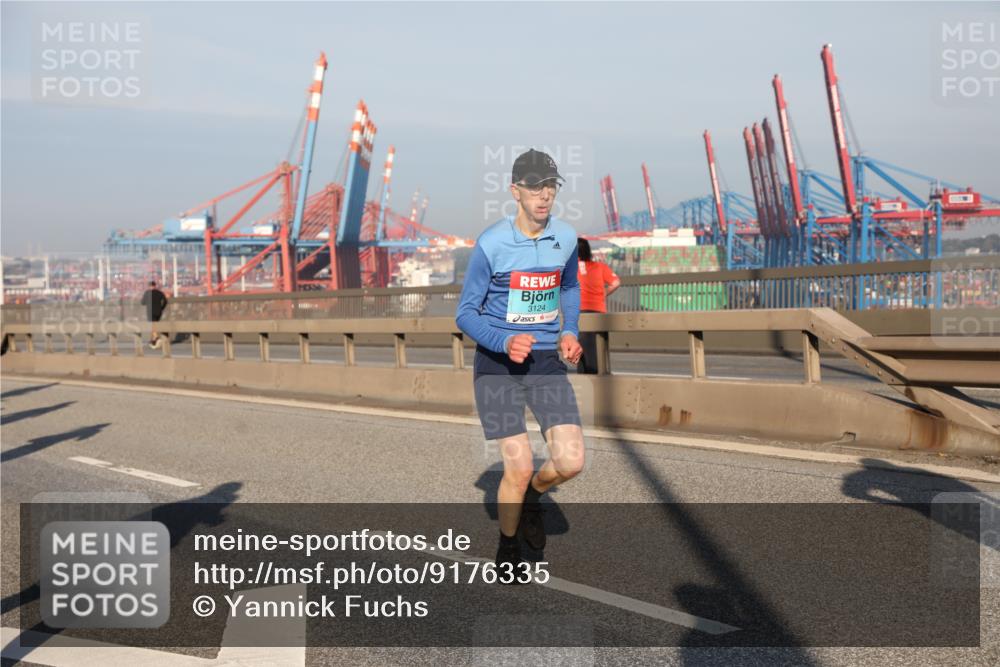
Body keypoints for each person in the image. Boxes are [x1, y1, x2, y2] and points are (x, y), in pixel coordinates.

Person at [456, 148, 586, 580]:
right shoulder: (492, 243)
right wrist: (504, 339)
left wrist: (570, 331)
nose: (543, 195)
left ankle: (532, 498)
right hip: (497, 366)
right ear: (515, 191)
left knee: (570, 462)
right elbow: (465, 313)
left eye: (549, 186)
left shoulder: (565, 237)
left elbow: (568, 287)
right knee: (520, 464)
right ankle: (508, 545)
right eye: (534, 187)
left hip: (546, 361)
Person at [575, 238, 621, 374]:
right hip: (599, 311)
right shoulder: (600, 266)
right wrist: (603, 293)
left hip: (581, 311)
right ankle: (602, 372)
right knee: (600, 344)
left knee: (583, 346)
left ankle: (585, 376)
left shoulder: (572, 268)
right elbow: (616, 282)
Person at [140, 280, 169, 348]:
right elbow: (165, 301)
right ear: (155, 285)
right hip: (158, 312)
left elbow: (142, 302)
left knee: (152, 325)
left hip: (150, 312)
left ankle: (156, 338)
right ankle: (153, 341)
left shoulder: (147, 293)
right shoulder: (159, 293)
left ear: (149, 286)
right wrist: (161, 308)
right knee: (154, 325)